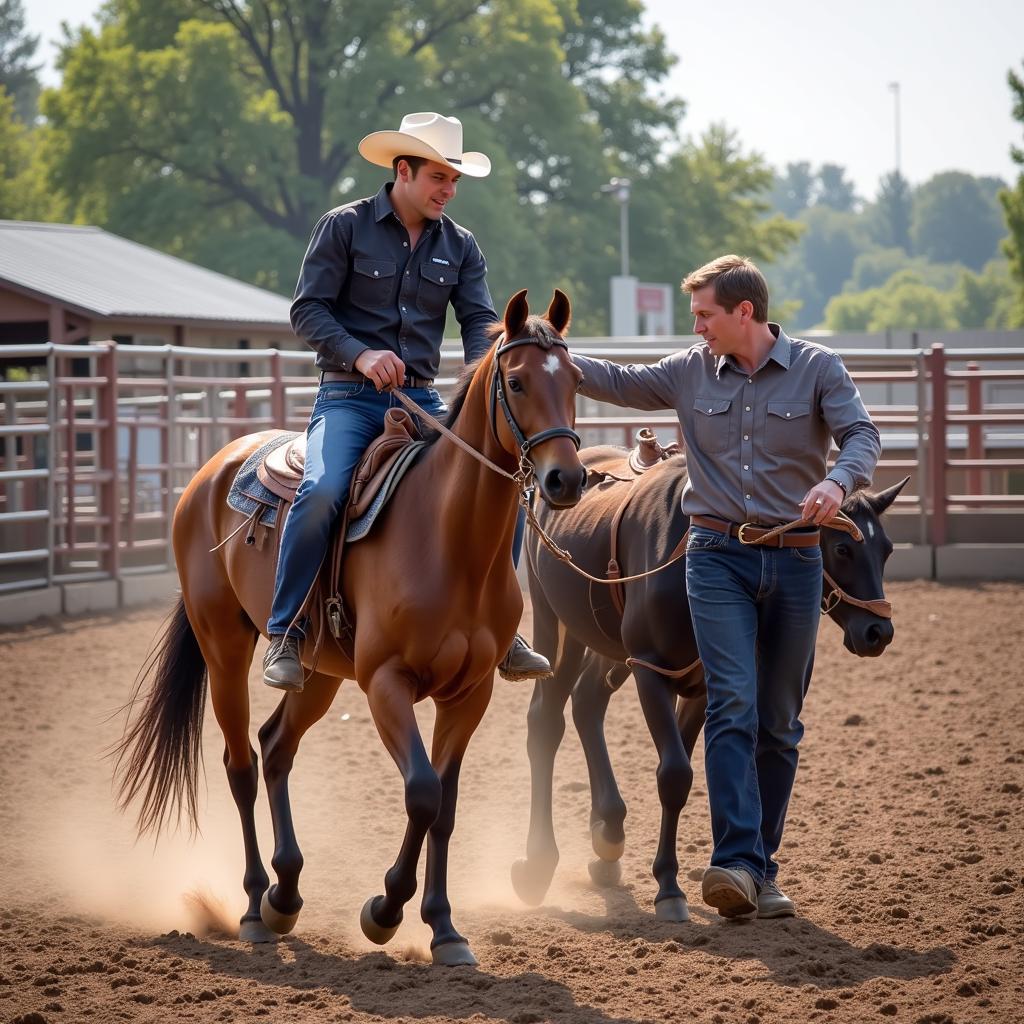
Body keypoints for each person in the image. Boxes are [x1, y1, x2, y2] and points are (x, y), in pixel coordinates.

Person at [571, 255, 880, 919]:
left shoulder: (818, 369)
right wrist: (551, 357)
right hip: (714, 555)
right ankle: (735, 863)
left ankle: (760, 871)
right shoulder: (688, 370)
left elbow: (862, 436)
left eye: (706, 315)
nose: (697, 327)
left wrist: (838, 481)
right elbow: (621, 382)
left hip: (796, 561)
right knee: (731, 703)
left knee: (779, 721)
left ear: (745, 313)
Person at [263, 111, 550, 691]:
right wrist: (360, 355)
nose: (448, 190)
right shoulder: (343, 227)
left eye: (454, 181)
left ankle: (502, 622)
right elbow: (307, 310)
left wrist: (492, 370)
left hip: (421, 402)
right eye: (439, 178)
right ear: (404, 170)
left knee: (499, 484)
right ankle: (286, 630)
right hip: (348, 398)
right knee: (321, 493)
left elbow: (477, 321)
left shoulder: (461, 247)